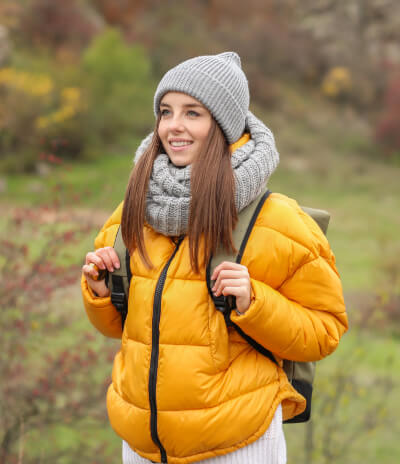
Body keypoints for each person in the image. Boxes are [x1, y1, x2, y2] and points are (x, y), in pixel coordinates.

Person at [81, 52, 348, 464]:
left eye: (193, 113)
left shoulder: (278, 220)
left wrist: (254, 302)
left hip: (237, 442)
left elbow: (324, 331)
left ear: (224, 125)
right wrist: (101, 292)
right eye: (166, 111)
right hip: (140, 445)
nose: (174, 125)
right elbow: (121, 329)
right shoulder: (134, 210)